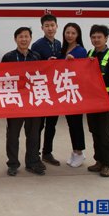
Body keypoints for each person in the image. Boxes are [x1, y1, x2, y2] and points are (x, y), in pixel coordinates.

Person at [2, 27, 45, 176]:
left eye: (26, 36)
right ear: (15, 39)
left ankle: (32, 162)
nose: (24, 39)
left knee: (33, 135)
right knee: (13, 135)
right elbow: (1, 79)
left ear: (30, 39)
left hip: (33, 102)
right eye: (21, 36)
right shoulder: (8, 57)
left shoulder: (37, 56)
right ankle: (13, 164)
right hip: (15, 102)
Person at [86, 24, 109, 178]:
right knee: (95, 131)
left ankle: (108, 164)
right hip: (92, 100)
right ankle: (99, 160)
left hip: (106, 100)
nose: (96, 40)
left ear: (106, 38)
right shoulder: (90, 53)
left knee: (105, 132)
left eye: (99, 37)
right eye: (93, 37)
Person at [31, 14, 62, 166]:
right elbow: (33, 67)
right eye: (47, 26)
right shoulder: (37, 45)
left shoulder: (58, 44)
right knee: (39, 125)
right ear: (42, 28)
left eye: (52, 25)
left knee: (51, 125)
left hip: (55, 90)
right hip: (42, 90)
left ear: (57, 26)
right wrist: (46, 63)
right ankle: (35, 154)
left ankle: (47, 152)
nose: (50, 29)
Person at [60, 22, 87, 168]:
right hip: (66, 93)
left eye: (73, 33)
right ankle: (75, 152)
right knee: (71, 124)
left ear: (78, 35)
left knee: (76, 124)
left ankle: (79, 152)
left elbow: (82, 71)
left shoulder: (80, 51)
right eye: (67, 32)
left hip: (75, 93)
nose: (70, 35)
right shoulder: (63, 49)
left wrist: (73, 62)